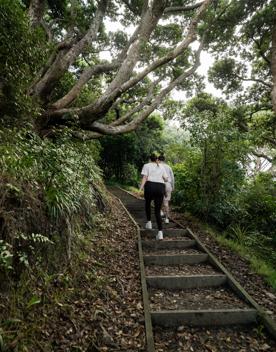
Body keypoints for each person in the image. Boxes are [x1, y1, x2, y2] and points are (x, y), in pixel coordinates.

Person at [139, 153, 168, 240]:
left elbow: (145, 177)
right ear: (156, 159)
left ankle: (149, 223)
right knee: (157, 210)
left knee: (147, 204)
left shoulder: (146, 165)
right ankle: (160, 233)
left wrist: (140, 188)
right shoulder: (162, 166)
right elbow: (166, 179)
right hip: (160, 187)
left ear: (150, 159)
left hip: (150, 186)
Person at [158, 154, 174, 224]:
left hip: (160, 185)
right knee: (166, 203)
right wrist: (173, 186)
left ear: (158, 160)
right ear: (164, 160)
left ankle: (160, 212)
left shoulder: (157, 166)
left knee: (159, 200)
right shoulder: (169, 167)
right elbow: (172, 178)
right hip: (168, 185)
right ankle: (167, 219)